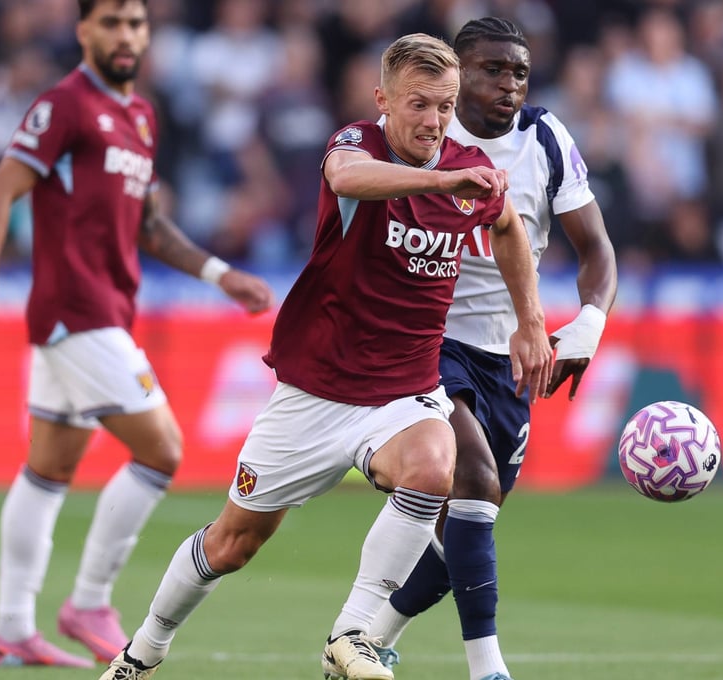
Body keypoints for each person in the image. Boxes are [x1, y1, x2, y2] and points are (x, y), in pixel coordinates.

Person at [97, 32, 554, 680]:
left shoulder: (464, 169)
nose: (433, 121)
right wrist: (445, 176)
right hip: (315, 392)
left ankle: (352, 633)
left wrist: (531, 322)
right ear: (382, 101)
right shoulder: (357, 146)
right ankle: (145, 648)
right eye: (419, 104)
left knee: (434, 465)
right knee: (232, 543)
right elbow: (345, 178)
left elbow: (505, 225)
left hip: (404, 389)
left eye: (445, 106)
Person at [0, 0, 273, 668]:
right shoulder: (65, 104)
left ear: (147, 34)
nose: (126, 35)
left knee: (49, 470)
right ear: (84, 31)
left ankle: (12, 628)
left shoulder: (140, 116)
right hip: (76, 312)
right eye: (112, 23)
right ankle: (90, 601)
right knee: (162, 450)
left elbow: (148, 225)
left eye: (135, 23)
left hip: (99, 313)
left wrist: (219, 273)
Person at [368, 18, 618, 680]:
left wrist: (588, 322)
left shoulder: (545, 140)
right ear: (457, 72)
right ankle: (488, 669)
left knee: (468, 530)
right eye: (491, 70)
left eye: (519, 73)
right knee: (471, 480)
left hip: (509, 354)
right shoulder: (426, 137)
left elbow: (596, 251)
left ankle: (365, 638)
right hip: (427, 341)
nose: (508, 84)